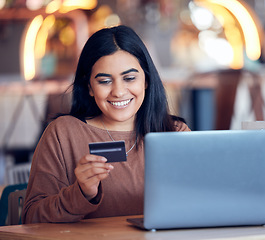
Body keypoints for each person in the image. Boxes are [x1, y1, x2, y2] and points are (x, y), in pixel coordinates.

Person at [22, 25, 190, 224]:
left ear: (146, 80)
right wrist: (81, 193)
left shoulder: (175, 132)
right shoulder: (63, 133)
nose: (118, 92)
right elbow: (31, 218)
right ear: (89, 87)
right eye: (104, 81)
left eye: (129, 78)